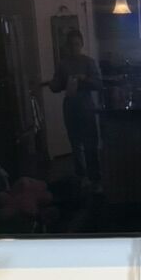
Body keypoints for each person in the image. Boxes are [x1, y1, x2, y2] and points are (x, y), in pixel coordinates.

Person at [46, 30, 102, 187]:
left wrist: (86, 79)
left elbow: (98, 84)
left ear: (82, 44)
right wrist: (52, 85)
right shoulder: (62, 64)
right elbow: (57, 86)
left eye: (77, 44)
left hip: (86, 107)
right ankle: (81, 177)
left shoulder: (89, 62)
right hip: (70, 107)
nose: (74, 47)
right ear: (67, 46)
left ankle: (95, 178)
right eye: (71, 45)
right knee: (75, 144)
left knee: (91, 143)